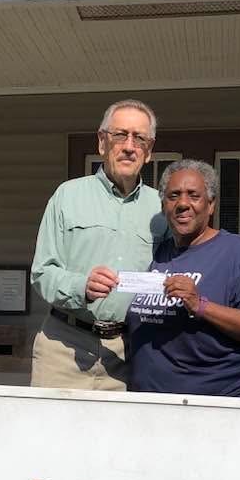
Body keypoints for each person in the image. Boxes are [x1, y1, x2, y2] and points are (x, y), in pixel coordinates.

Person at [30, 98, 165, 390]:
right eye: (120, 135)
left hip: (130, 351)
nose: (129, 146)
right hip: (63, 347)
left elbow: (192, 262)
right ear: (102, 142)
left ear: (149, 151)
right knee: (51, 432)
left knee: (119, 436)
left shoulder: (161, 208)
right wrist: (81, 287)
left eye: (139, 138)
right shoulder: (67, 196)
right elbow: (42, 272)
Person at [126, 159, 240, 398]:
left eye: (193, 195)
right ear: (164, 205)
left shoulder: (234, 251)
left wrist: (200, 305)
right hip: (152, 403)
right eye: (173, 196)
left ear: (211, 204)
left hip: (217, 403)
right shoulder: (159, 254)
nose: (182, 204)